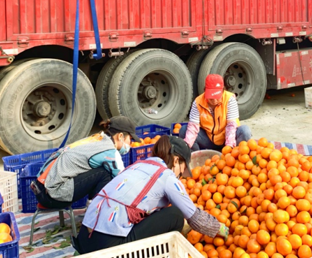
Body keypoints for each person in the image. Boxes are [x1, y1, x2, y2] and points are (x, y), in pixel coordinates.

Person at [75, 135, 228, 253]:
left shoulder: (138, 165)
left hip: (84, 240)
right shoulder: (167, 176)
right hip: (107, 248)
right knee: (175, 215)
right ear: (176, 161)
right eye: (182, 171)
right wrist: (222, 229)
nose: (181, 176)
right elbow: (195, 218)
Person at [31, 116, 139, 210]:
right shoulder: (109, 151)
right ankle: (94, 210)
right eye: (130, 139)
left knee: (101, 169)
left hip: (41, 190)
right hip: (52, 197)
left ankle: (93, 206)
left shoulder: (97, 138)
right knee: (105, 173)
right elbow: (122, 179)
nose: (130, 143)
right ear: (120, 136)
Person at [181, 74, 252, 152]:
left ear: (223, 91)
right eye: (211, 98)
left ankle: (234, 154)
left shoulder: (229, 99)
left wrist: (229, 148)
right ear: (205, 91)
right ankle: (199, 155)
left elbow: (231, 125)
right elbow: (193, 127)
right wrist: (186, 146)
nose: (214, 101)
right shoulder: (198, 102)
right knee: (184, 130)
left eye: (217, 97)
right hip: (208, 139)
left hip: (227, 138)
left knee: (245, 131)